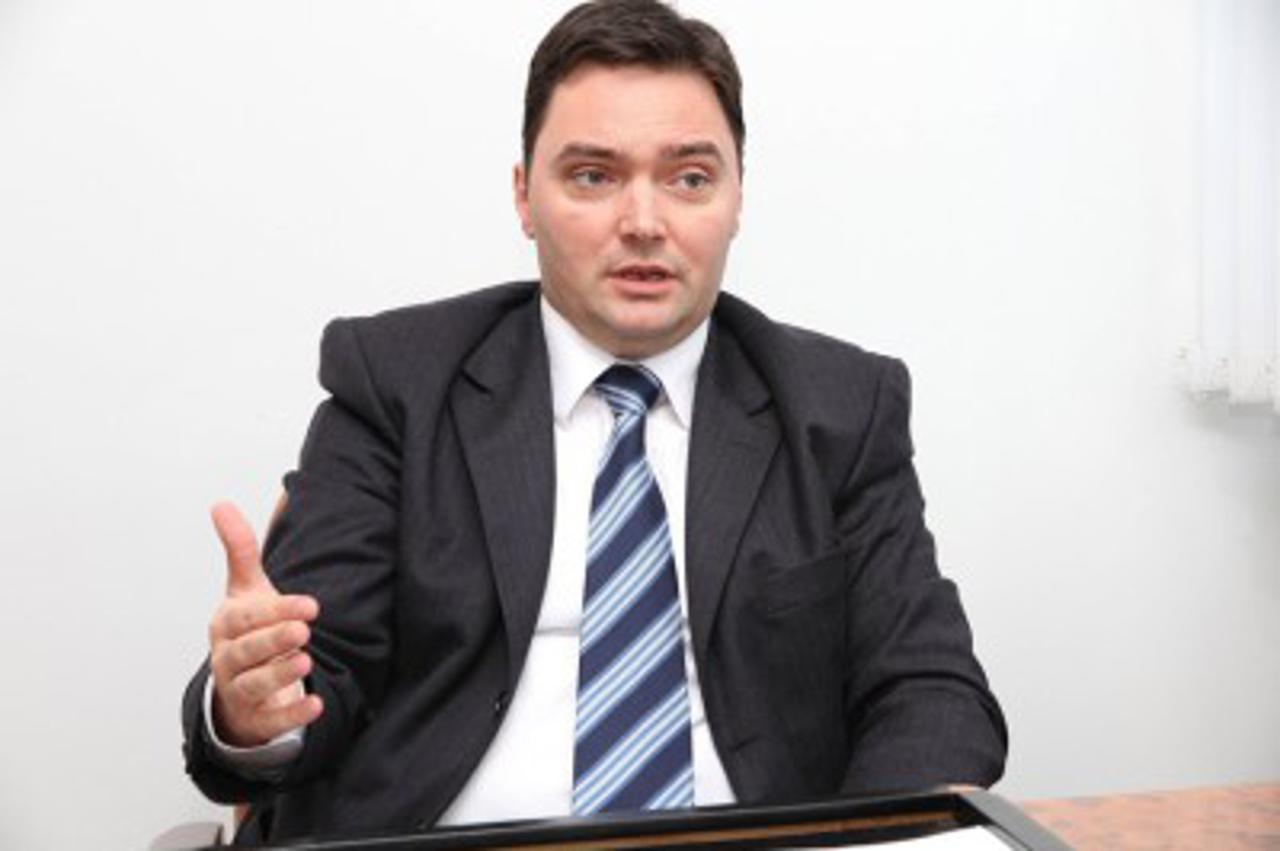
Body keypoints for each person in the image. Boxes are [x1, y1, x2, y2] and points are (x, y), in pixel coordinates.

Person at [182, 0, 1007, 843]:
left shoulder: (840, 410)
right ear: (524, 196)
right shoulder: (399, 384)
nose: (643, 222)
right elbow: (313, 673)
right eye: (592, 176)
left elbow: (930, 692)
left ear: (737, 197)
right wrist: (254, 707)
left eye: (690, 178)